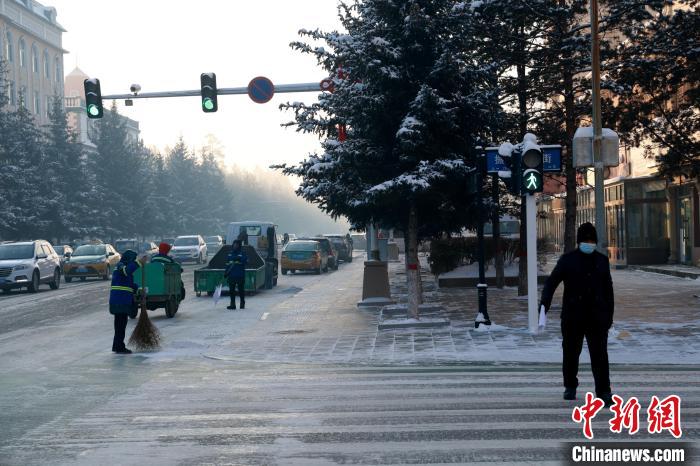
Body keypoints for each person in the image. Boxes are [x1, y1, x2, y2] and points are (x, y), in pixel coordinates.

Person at [540, 222, 615, 406]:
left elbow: (608, 290)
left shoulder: (601, 260)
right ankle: (570, 386)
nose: (589, 243)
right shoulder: (568, 260)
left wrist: (609, 315)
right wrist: (544, 305)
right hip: (573, 316)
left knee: (600, 356)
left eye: (591, 240)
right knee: (571, 354)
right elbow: (551, 283)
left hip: (597, 317)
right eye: (585, 240)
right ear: (579, 241)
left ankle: (604, 391)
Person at [109, 249, 141, 354]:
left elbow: (129, 284)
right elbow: (126, 271)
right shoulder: (121, 266)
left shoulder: (122, 267)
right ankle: (119, 347)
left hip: (121, 301)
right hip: (119, 301)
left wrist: (139, 289)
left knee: (120, 326)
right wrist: (138, 263)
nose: (133, 261)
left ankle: (117, 346)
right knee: (120, 326)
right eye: (133, 259)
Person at [225, 240, 248, 310]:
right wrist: (226, 272)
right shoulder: (230, 254)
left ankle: (242, 303)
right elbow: (227, 264)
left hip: (240, 275)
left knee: (241, 290)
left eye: (237, 245)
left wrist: (240, 258)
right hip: (231, 275)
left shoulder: (242, 253)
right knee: (231, 291)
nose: (235, 246)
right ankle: (232, 304)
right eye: (234, 244)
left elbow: (246, 261)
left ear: (239, 246)